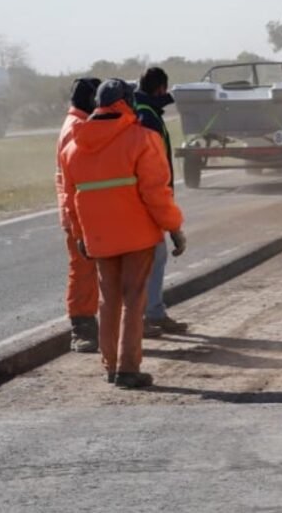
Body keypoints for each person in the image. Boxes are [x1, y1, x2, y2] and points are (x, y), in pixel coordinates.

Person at [60, 79, 187, 389]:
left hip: (99, 238)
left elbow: (70, 198)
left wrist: (79, 234)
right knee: (133, 300)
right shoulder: (143, 138)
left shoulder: (73, 147)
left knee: (109, 300)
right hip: (138, 236)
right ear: (127, 102)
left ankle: (111, 367)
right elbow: (156, 192)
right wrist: (174, 228)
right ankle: (129, 368)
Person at [134, 66, 189, 337]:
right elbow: (154, 169)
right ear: (161, 89)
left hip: (141, 197)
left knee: (155, 257)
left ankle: (151, 313)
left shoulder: (143, 111)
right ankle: (147, 316)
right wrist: (172, 223)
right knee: (152, 258)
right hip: (146, 199)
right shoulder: (148, 117)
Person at [56, 76, 102, 353]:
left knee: (86, 270)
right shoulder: (77, 128)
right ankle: (82, 328)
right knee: (83, 271)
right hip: (78, 213)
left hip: (80, 210)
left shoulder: (75, 123)